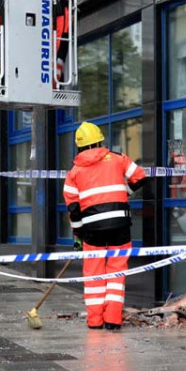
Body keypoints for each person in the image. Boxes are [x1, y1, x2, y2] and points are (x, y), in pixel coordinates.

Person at [62, 121, 146, 331]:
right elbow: (140, 176)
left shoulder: (74, 172)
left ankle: (95, 321)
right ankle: (113, 320)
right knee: (117, 272)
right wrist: (124, 192)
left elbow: (73, 209)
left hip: (91, 230)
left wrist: (78, 235)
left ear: (79, 146)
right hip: (120, 225)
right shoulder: (118, 159)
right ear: (100, 141)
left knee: (94, 273)